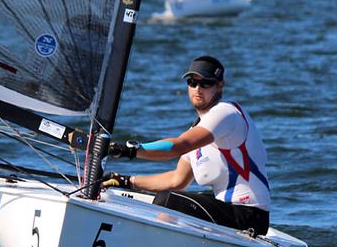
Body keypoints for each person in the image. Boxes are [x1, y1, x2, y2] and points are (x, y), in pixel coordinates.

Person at [102, 56, 271, 236]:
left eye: (206, 83)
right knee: (168, 195)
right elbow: (177, 180)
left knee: (167, 200)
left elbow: (178, 146)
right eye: (192, 82)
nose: (198, 89)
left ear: (220, 86)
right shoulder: (197, 129)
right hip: (227, 212)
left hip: (249, 216)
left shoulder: (226, 113)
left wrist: (127, 150)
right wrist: (125, 181)